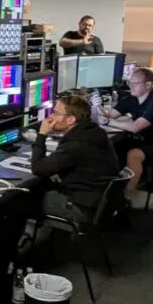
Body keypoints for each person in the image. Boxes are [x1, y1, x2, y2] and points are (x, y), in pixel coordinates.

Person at [32, 95, 120, 223]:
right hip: (97, 202)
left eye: (56, 113)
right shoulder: (94, 131)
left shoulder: (75, 144)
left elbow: (38, 168)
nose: (50, 117)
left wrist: (41, 135)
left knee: (19, 200)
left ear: (71, 120)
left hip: (81, 207)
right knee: (40, 186)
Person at [99, 67, 153, 200]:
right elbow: (112, 115)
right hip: (141, 140)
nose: (131, 86)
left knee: (134, 154)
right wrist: (97, 105)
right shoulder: (131, 98)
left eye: (135, 84)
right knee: (108, 147)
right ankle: (108, 189)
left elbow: (135, 127)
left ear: (148, 85)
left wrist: (106, 122)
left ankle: (126, 198)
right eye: (129, 83)